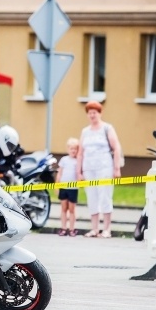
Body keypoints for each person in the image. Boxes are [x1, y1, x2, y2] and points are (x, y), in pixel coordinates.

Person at [76, 101, 122, 238]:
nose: (92, 115)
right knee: (92, 197)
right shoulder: (85, 131)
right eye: (89, 113)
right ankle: (94, 229)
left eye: (94, 112)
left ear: (100, 113)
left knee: (105, 196)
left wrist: (116, 168)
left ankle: (107, 229)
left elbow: (116, 148)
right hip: (89, 169)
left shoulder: (107, 128)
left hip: (104, 167)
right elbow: (80, 153)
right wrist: (79, 172)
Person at [56, 138, 79, 237]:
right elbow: (59, 173)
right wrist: (57, 185)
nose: (73, 151)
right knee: (63, 208)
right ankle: (63, 228)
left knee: (72, 209)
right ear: (68, 149)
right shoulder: (64, 160)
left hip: (73, 188)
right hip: (63, 187)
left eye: (75, 149)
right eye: (71, 148)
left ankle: (72, 229)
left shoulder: (78, 161)